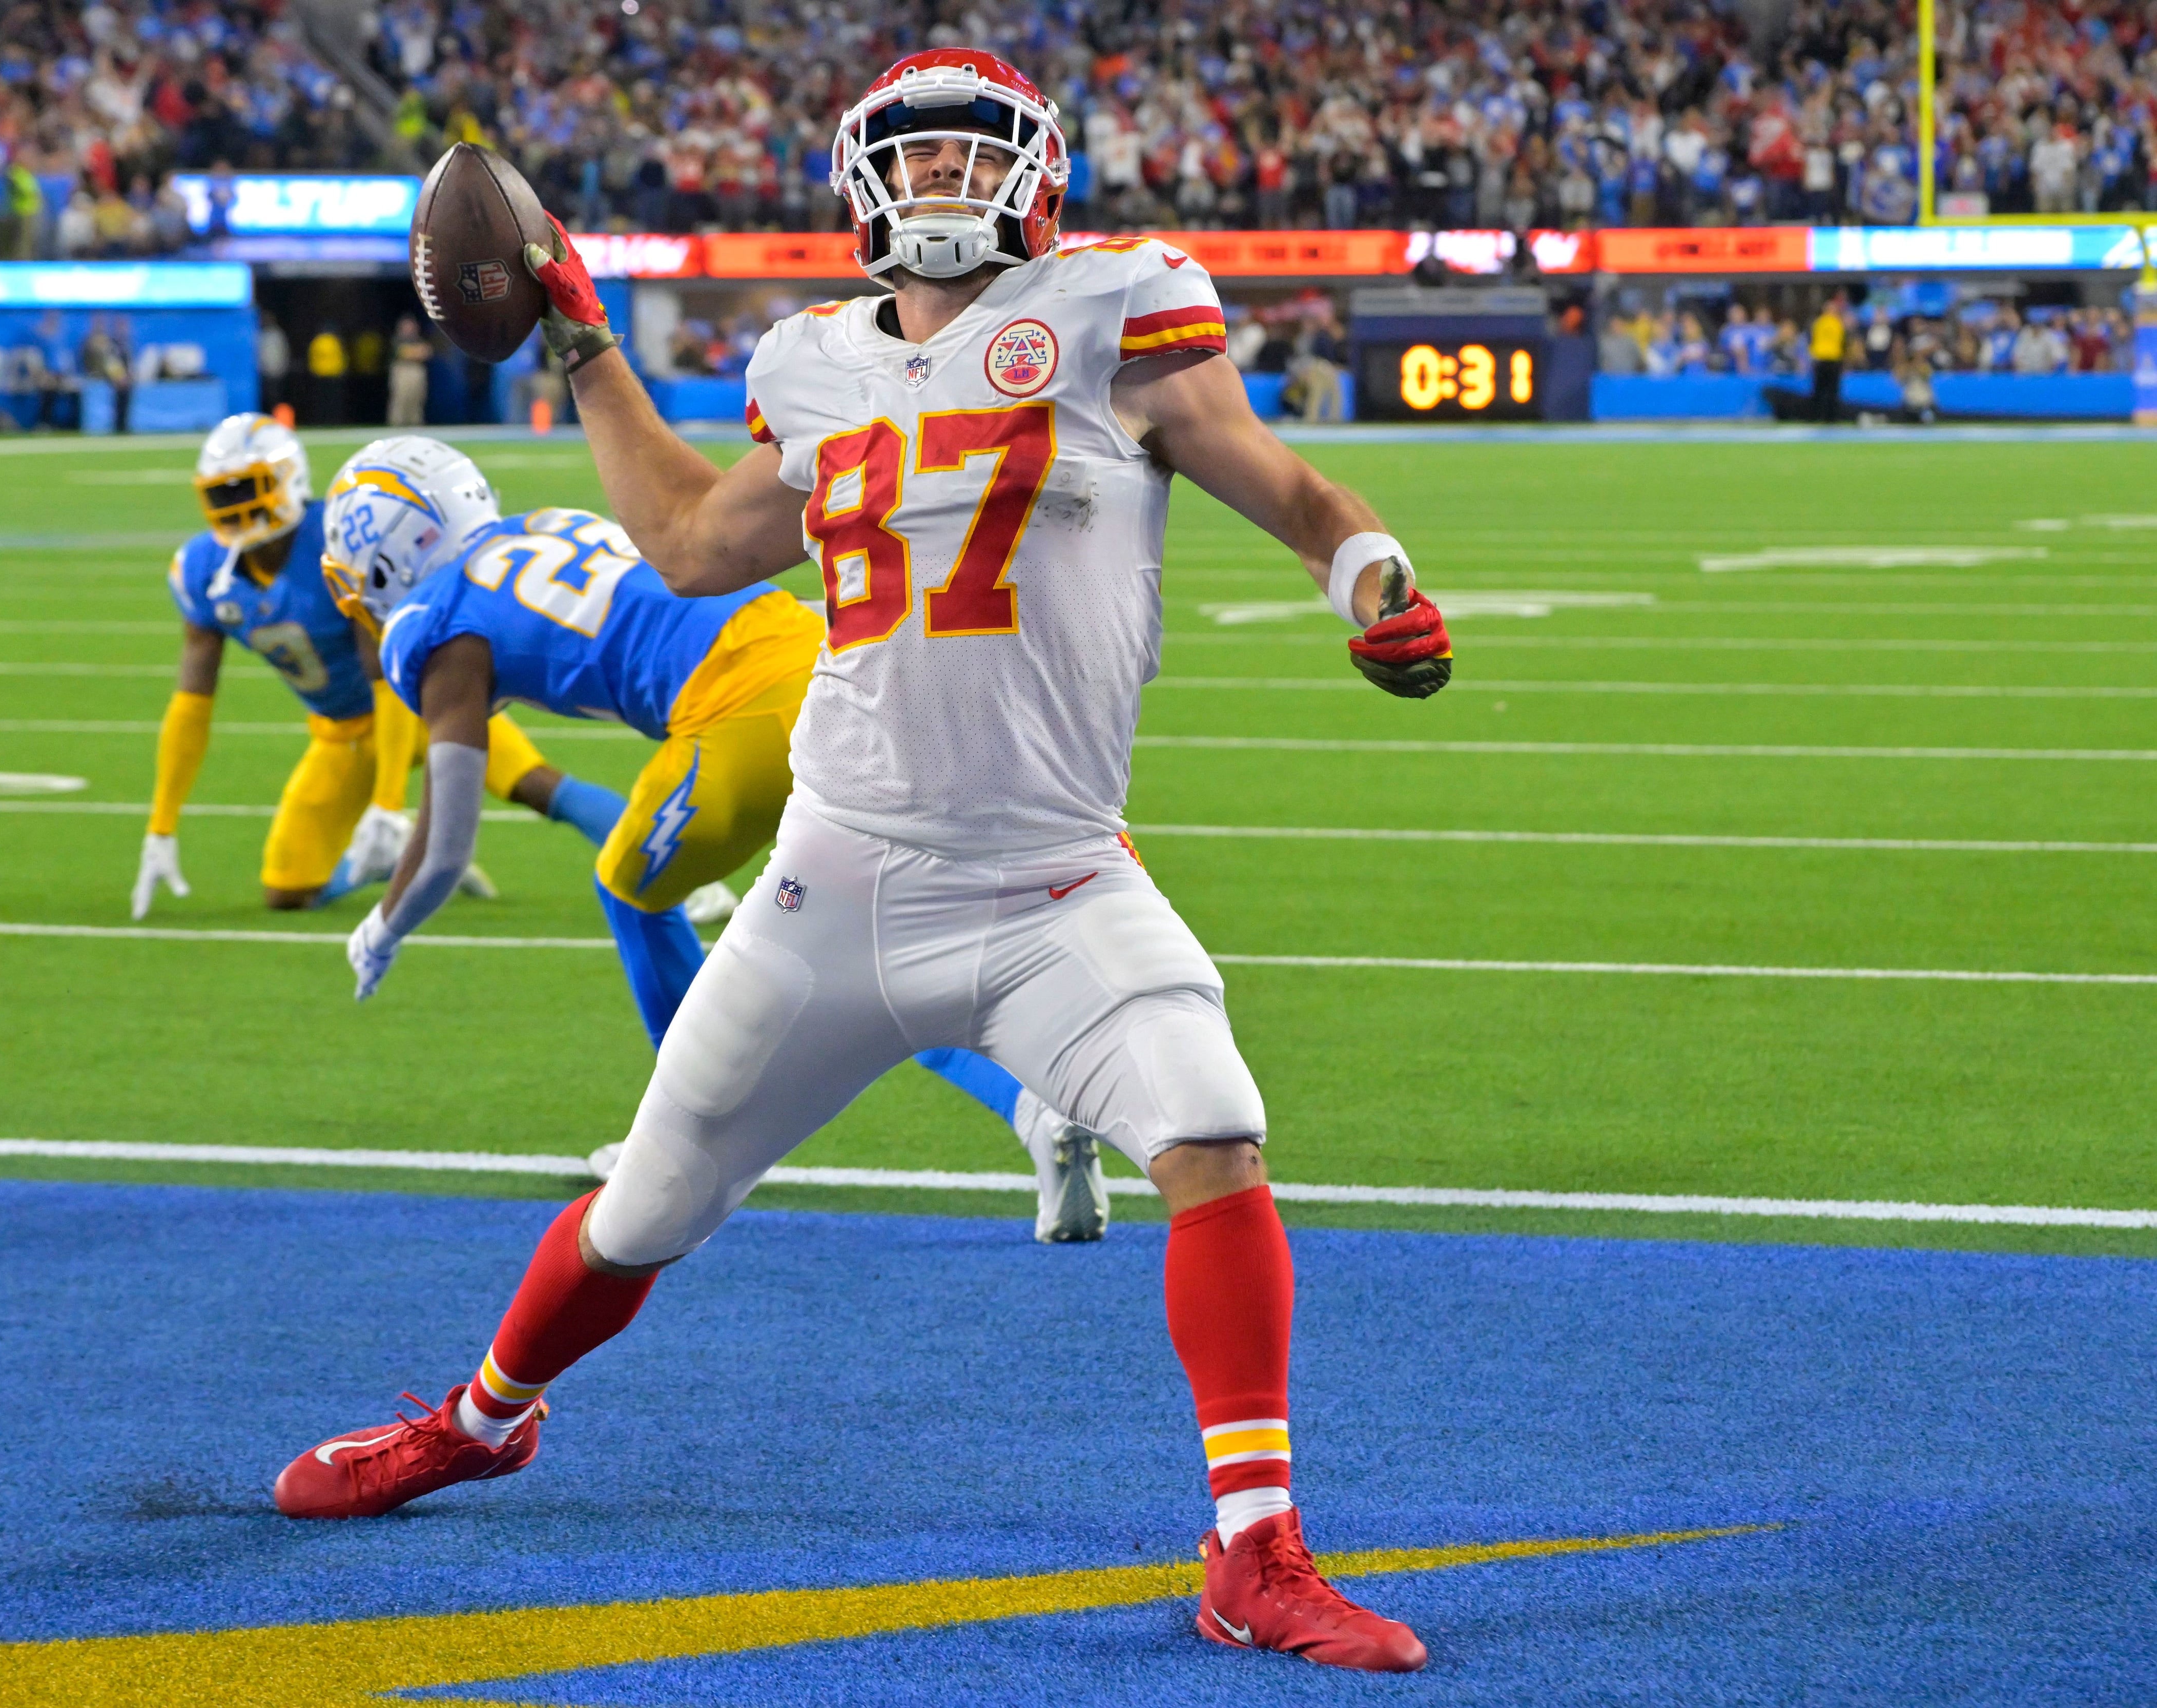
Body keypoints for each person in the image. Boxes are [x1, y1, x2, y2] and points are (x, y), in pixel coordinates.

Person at [273, 49, 1452, 1675]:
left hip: (1052, 881)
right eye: (925, 158)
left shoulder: (1120, 307)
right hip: (832, 878)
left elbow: (1298, 491)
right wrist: (584, 340)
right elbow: (691, 544)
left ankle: (1252, 1549)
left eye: (980, 159)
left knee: (1211, 1127)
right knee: (641, 1207)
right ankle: (483, 1420)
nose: (951, 184)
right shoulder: (813, 365)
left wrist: (1370, 580)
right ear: (863, 182)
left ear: (1035, 176)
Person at [322, 437, 1111, 1241]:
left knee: (630, 888)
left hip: (747, 717)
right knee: (876, 946)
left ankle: (679, 1144)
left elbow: (448, 843)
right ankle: (1034, 1106)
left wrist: (384, 928)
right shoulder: (546, 524)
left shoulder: (441, 623)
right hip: (840, 660)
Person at [134, 414, 533, 916]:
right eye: (222, 493)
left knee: (537, 788)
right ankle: (405, 859)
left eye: (245, 489)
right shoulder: (204, 571)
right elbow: (191, 703)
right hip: (340, 734)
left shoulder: (334, 542)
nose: (234, 506)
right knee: (286, 890)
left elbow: (384, 677)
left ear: (286, 480)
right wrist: (161, 825)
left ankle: (649, 865)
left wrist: (386, 805)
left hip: (413, 708)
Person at [1808, 294, 1848, 422]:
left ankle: (1822, 417)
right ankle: (1825, 417)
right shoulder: (1834, 323)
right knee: (1825, 391)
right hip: (1826, 359)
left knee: (1824, 391)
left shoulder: (1824, 323)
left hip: (1830, 359)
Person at [385, 314, 429, 426]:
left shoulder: (418, 339)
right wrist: (415, 353)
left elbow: (427, 352)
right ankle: (397, 424)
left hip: (416, 371)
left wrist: (413, 353)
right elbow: (402, 353)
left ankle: (416, 423)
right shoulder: (397, 340)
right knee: (401, 399)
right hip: (403, 371)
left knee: (416, 399)